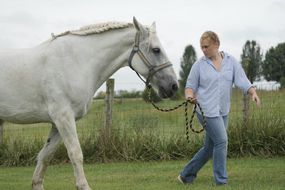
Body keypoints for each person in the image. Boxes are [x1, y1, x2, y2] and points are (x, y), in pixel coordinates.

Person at [177, 31, 261, 185]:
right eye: (201, 47)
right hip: (206, 111)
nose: (203, 49)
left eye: (206, 46)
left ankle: (185, 175)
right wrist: (189, 96)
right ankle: (221, 181)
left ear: (216, 44)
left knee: (210, 148)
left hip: (223, 111)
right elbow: (190, 86)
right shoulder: (199, 65)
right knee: (222, 141)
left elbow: (241, 79)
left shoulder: (231, 62)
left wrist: (252, 92)